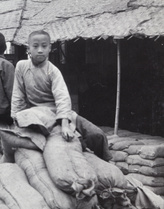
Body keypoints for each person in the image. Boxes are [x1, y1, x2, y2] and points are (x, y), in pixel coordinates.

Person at [11, 30, 112, 161]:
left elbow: (62, 98)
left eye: (44, 46)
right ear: (28, 48)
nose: (40, 50)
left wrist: (65, 125)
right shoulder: (21, 67)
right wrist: (15, 119)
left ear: (50, 48)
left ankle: (106, 162)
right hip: (37, 113)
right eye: (35, 46)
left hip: (58, 112)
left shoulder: (53, 71)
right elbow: (17, 95)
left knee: (97, 135)